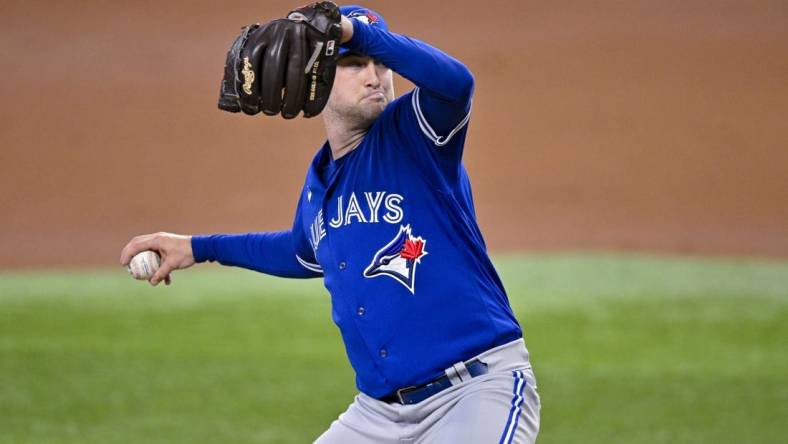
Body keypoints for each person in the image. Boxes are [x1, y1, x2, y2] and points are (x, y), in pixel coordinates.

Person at [120, 5, 540, 443]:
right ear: (315, 78)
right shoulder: (321, 178)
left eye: (381, 63)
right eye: (354, 64)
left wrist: (354, 33)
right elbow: (302, 252)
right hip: (379, 414)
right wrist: (197, 247)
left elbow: (457, 84)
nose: (375, 75)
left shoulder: (414, 135)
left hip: (474, 391)